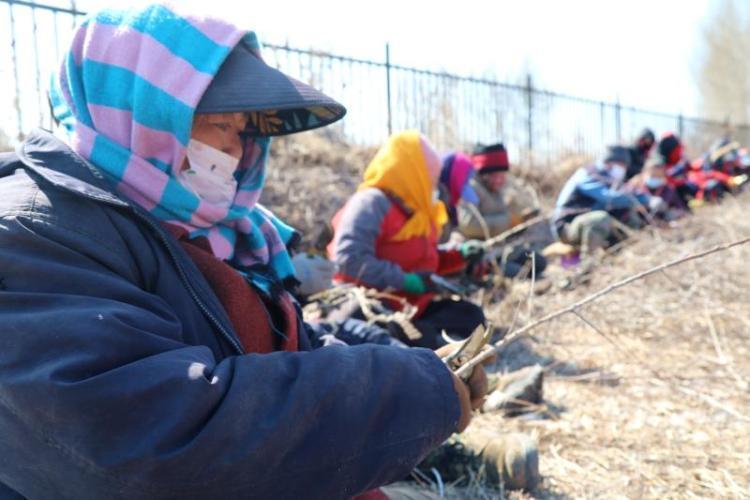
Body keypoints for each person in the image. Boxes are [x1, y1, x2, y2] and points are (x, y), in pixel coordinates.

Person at [0, 5, 489, 498]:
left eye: (242, 130)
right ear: (145, 112)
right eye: (218, 125)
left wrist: (416, 372)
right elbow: (153, 446)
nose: (236, 151)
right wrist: (405, 391)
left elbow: (287, 344)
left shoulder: (202, 230)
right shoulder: (32, 234)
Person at [328, 131, 486, 349]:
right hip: (373, 306)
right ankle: (431, 351)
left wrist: (458, 255)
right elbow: (348, 259)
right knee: (389, 335)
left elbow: (425, 260)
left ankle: (431, 347)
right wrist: (405, 281)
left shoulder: (419, 212)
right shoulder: (371, 203)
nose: (434, 185)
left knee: (470, 316)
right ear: (413, 172)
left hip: (412, 308)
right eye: (430, 177)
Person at [456, 143, 546, 278]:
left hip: (501, 249)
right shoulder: (470, 189)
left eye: (501, 176)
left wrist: (521, 222)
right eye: (494, 176)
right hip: (479, 253)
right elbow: (469, 225)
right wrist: (509, 221)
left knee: (538, 262)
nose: (499, 180)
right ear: (483, 174)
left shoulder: (497, 191)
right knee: (518, 273)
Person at [553, 146, 649, 258]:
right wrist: (639, 198)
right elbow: (610, 198)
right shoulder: (588, 174)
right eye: (621, 166)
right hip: (568, 227)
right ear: (609, 163)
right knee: (601, 219)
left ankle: (614, 260)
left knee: (628, 216)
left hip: (588, 222)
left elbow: (629, 197)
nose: (623, 170)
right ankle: (586, 267)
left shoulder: (609, 178)